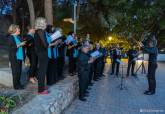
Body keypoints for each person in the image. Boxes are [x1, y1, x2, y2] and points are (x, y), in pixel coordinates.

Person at [8, 24, 26, 90]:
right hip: (14, 58)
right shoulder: (11, 37)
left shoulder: (18, 37)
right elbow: (11, 48)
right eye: (18, 29)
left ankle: (19, 84)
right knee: (15, 73)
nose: (19, 30)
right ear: (14, 29)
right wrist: (20, 44)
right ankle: (16, 86)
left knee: (19, 72)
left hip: (19, 57)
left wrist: (23, 44)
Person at [34, 17, 49, 94]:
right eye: (45, 22)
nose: (46, 23)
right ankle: (41, 89)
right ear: (41, 23)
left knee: (41, 70)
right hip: (42, 53)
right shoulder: (41, 31)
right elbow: (45, 44)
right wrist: (49, 43)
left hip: (40, 53)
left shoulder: (37, 31)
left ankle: (42, 87)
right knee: (42, 71)